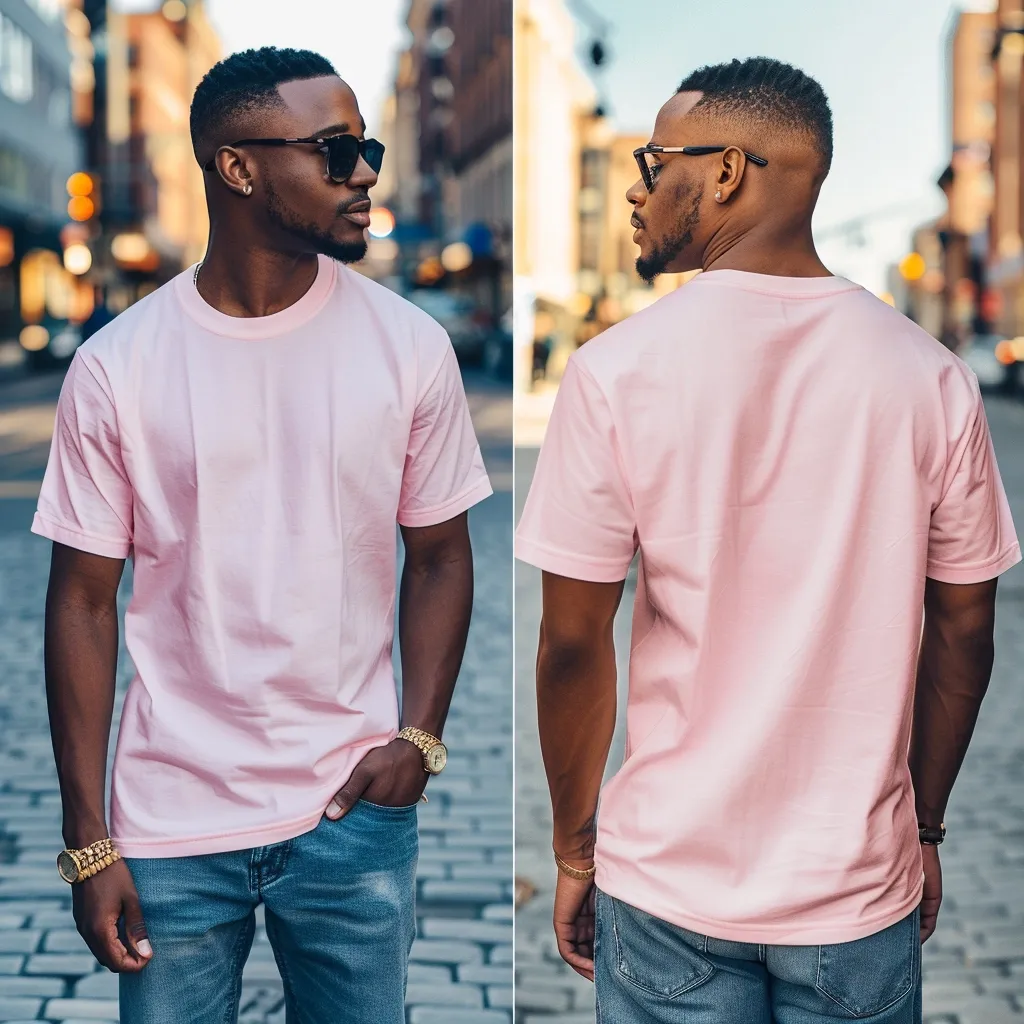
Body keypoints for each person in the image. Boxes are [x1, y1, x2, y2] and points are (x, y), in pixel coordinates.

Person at [515, 56, 1020, 1023]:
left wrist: (577, 848)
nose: (637, 183)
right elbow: (964, 627)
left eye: (654, 159)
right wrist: (925, 828)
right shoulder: (930, 378)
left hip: (668, 886)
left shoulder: (616, 371)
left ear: (729, 172)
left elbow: (573, 641)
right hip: (855, 893)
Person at [34, 47, 492, 1023]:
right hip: (168, 821)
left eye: (365, 146)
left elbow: (443, 556)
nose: (365, 171)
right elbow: (79, 597)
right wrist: (90, 838)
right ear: (237, 167)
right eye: (335, 150)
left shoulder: (410, 348)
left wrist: (420, 738)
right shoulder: (119, 367)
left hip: (353, 813)